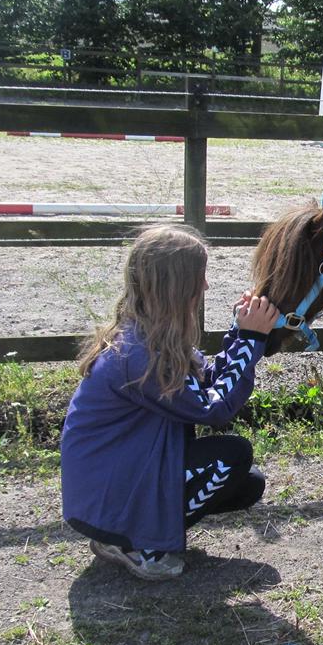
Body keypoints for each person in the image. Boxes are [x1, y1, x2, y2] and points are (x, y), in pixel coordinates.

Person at [60, 223, 280, 581]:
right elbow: (214, 409)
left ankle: (129, 532)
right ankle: (139, 545)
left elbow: (208, 378)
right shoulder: (139, 356)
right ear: (176, 287)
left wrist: (241, 331)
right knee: (233, 457)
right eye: (200, 278)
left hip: (115, 480)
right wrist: (252, 339)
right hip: (110, 493)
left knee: (247, 483)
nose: (205, 286)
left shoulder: (149, 335)